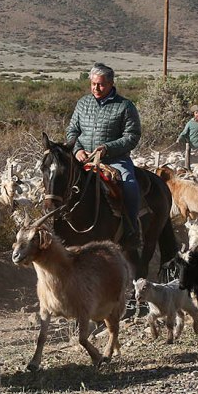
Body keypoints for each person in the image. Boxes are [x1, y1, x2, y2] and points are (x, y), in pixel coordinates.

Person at [65, 63, 142, 252]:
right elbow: (72, 131)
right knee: (58, 181)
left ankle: (131, 230)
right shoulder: (83, 103)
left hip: (114, 160)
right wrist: (77, 150)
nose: (96, 88)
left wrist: (108, 148)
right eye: (93, 84)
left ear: (110, 84)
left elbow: (132, 136)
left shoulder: (125, 106)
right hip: (83, 158)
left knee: (130, 184)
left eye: (100, 84)